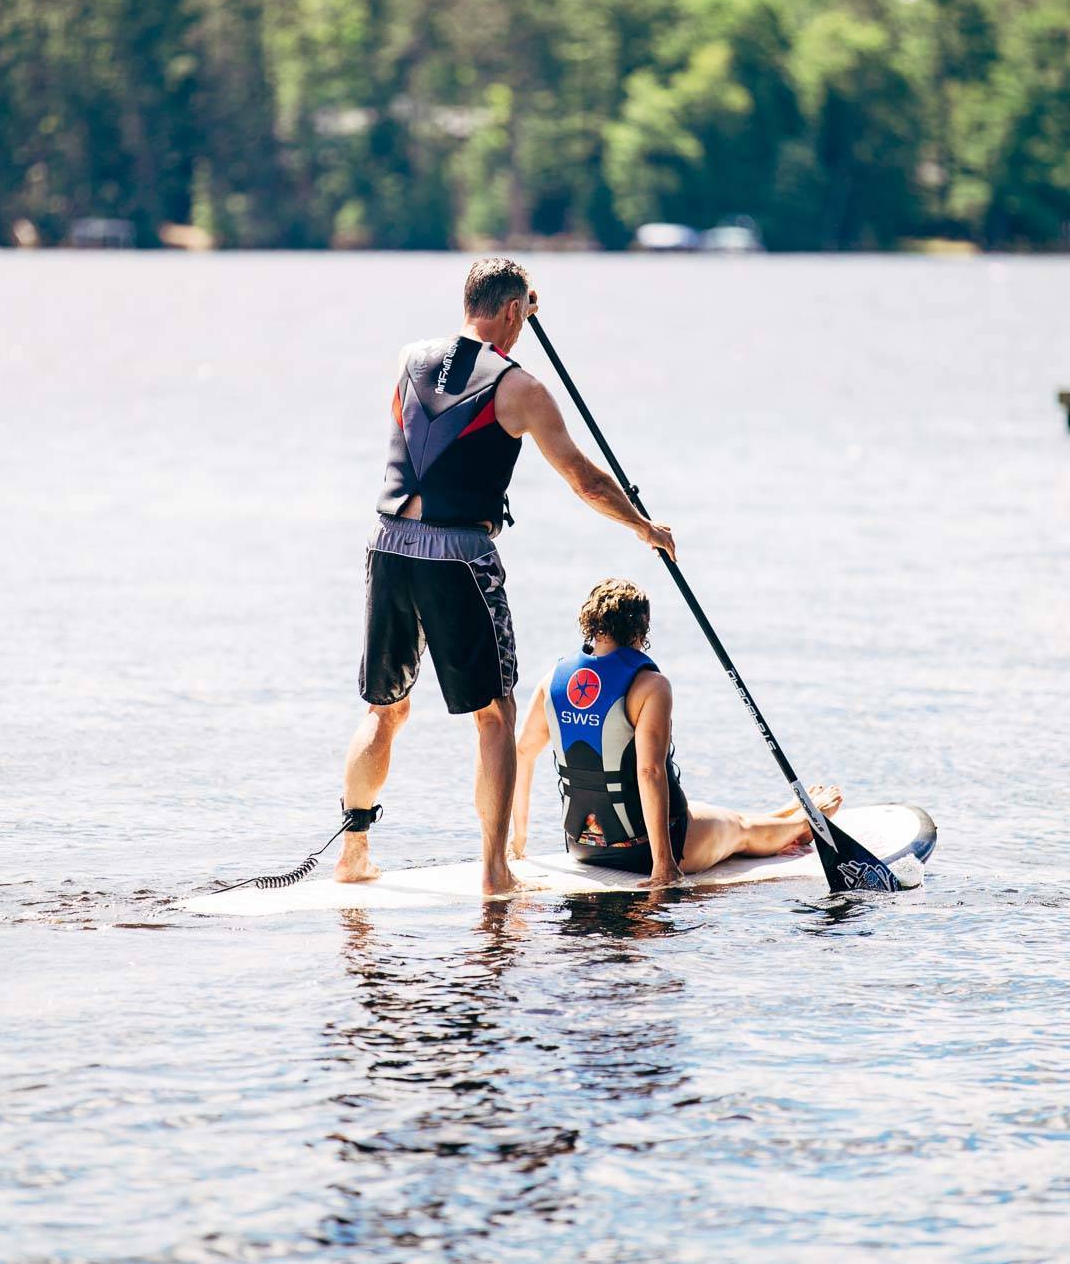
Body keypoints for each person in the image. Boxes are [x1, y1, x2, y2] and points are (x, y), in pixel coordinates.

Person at [336, 257, 678, 898]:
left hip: (387, 545)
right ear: (517, 310)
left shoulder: (408, 359)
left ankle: (353, 853)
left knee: (384, 710)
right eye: (521, 316)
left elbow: (431, 425)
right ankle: (495, 872)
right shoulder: (520, 389)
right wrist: (643, 527)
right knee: (494, 714)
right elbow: (583, 479)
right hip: (459, 556)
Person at [510, 578, 842, 887]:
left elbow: (522, 755)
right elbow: (649, 772)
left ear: (590, 624)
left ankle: (784, 812)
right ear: (642, 626)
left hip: (582, 846)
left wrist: (517, 843)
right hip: (646, 850)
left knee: (713, 814)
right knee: (740, 830)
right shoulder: (650, 686)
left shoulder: (553, 681)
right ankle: (803, 823)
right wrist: (664, 864)